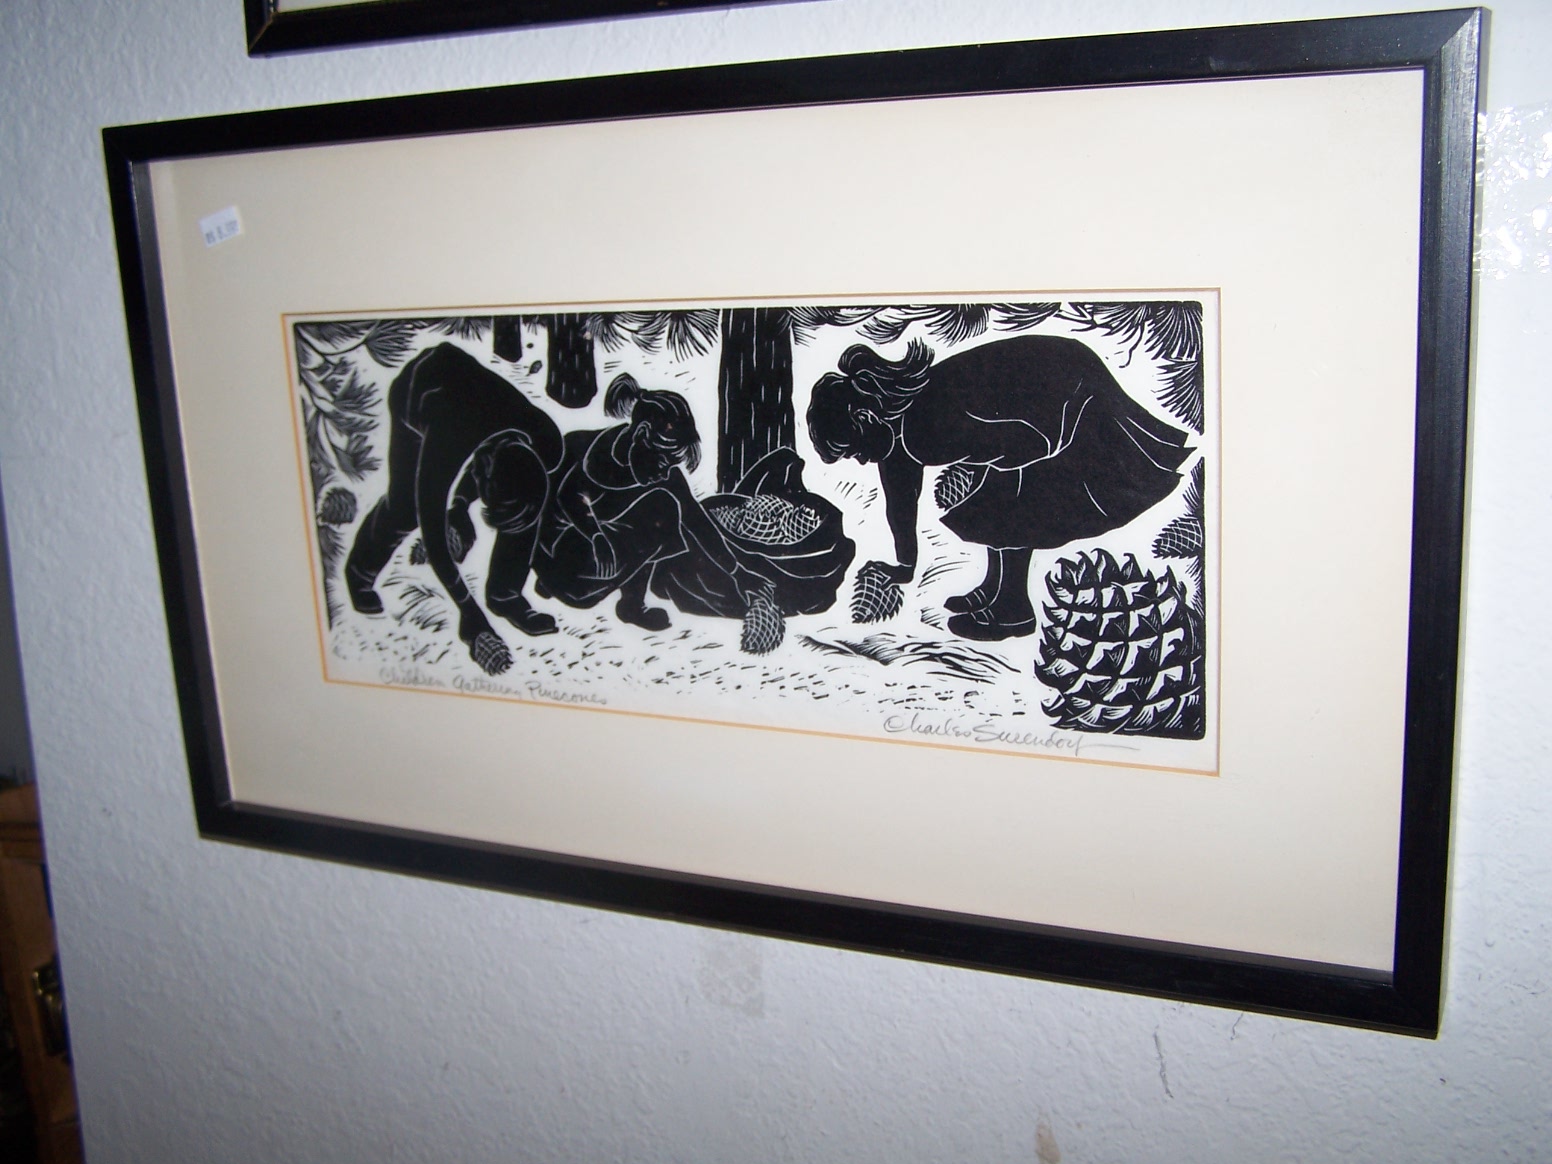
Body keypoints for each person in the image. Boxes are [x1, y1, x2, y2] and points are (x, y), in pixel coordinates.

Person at [806, 334, 1193, 641]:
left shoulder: (930, 420)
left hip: (1064, 390)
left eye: (853, 451)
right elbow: (900, 504)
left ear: (866, 417)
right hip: (1028, 414)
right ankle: (995, 589)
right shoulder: (895, 436)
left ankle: (1013, 609)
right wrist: (905, 566)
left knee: (1012, 499)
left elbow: (1028, 442)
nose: (859, 461)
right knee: (998, 495)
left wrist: (985, 474)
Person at [344, 343, 564, 675]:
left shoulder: (546, 440)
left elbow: (503, 471)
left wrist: (461, 506)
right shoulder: (446, 441)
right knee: (406, 507)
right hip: (419, 390)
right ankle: (359, 572)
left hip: (471, 400)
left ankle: (504, 595)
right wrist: (468, 613)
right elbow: (434, 537)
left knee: (526, 504)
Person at [529, 374, 771, 635]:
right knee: (662, 507)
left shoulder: (659, 473)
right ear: (642, 434)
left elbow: (697, 522)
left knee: (663, 508)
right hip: (563, 563)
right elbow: (567, 497)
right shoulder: (586, 451)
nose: (664, 473)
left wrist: (738, 572)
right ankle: (558, 583)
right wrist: (595, 537)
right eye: (663, 462)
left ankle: (631, 605)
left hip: (587, 563)